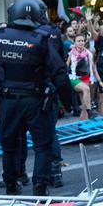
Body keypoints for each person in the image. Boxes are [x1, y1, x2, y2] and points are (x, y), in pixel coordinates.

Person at [0, 0, 70, 196]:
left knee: (9, 146)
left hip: (8, 100)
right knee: (42, 146)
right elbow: (60, 73)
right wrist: (68, 102)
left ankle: (11, 185)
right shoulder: (42, 37)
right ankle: (40, 188)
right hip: (36, 101)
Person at [37, 10, 67, 188]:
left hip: (35, 90)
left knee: (37, 133)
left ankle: (19, 176)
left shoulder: (33, 33)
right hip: (49, 88)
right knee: (49, 131)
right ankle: (54, 172)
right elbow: (61, 63)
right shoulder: (54, 32)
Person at [68, 33, 95, 119]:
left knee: (84, 105)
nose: (81, 42)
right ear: (75, 43)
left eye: (82, 41)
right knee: (86, 89)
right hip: (74, 78)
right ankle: (90, 111)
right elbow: (66, 66)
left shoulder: (87, 53)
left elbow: (93, 68)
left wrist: (99, 80)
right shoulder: (71, 53)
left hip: (85, 78)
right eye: (78, 41)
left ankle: (83, 122)